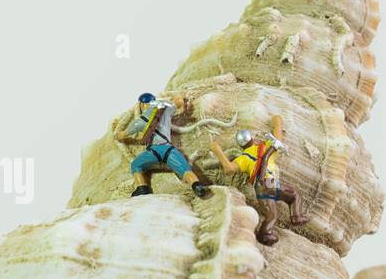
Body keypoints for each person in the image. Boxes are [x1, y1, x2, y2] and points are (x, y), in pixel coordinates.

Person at [210, 114, 308, 244]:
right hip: (269, 182)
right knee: (294, 195)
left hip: (259, 189)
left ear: (241, 146)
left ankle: (265, 235)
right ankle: (296, 216)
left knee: (272, 215)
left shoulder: (243, 158)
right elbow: (278, 139)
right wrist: (277, 122)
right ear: (252, 139)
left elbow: (228, 168)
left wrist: (217, 151)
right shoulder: (264, 147)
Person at [116, 92, 209, 197]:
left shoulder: (140, 121)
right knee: (185, 168)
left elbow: (122, 135)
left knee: (135, 165)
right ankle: (196, 185)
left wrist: (117, 134)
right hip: (169, 150)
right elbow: (178, 102)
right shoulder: (165, 111)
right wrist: (177, 95)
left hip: (153, 152)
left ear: (142, 105)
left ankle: (142, 188)